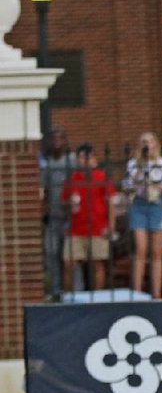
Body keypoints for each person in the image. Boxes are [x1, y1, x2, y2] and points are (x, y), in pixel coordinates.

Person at [122, 132, 162, 299]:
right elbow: (128, 185)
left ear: (156, 144)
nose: (148, 145)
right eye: (144, 142)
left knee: (157, 252)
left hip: (157, 204)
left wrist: (160, 187)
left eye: (151, 141)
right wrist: (139, 169)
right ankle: (137, 292)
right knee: (141, 249)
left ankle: (156, 293)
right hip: (139, 204)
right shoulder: (134, 164)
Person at [60, 143, 116, 293]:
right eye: (81, 158)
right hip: (76, 229)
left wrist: (111, 226)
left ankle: (97, 297)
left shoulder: (101, 177)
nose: (84, 161)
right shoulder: (72, 179)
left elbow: (111, 203)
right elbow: (63, 203)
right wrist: (68, 204)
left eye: (87, 157)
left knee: (97, 264)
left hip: (98, 228)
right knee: (68, 263)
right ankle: (67, 298)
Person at [39, 127, 75, 300]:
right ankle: (55, 291)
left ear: (66, 141)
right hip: (53, 218)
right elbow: (43, 190)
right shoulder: (47, 164)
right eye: (53, 139)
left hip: (71, 217)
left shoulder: (72, 161)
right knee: (51, 253)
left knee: (70, 256)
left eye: (60, 139)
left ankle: (76, 290)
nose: (56, 143)